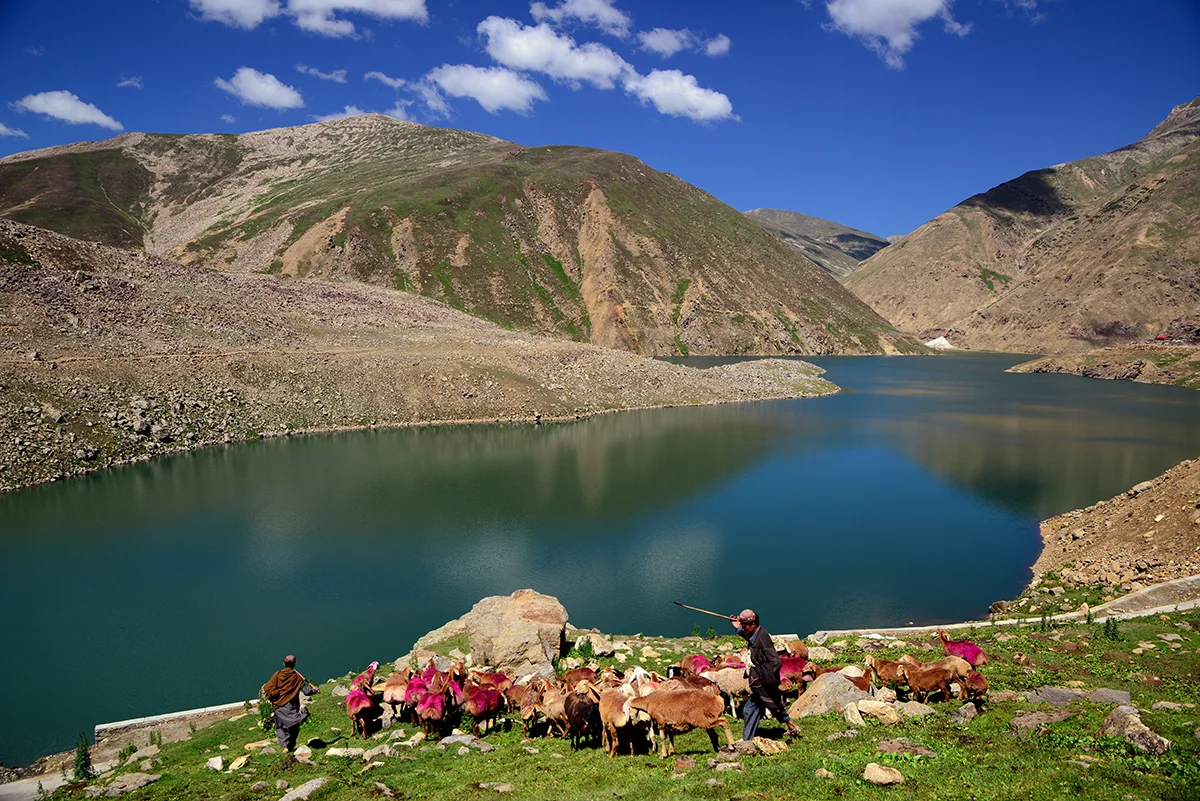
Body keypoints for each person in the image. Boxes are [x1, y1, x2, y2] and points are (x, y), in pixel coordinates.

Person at [731, 609, 801, 740]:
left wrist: (765, 678)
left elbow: (775, 662)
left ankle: (747, 740)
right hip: (761, 680)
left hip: (763, 680)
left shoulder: (763, 639)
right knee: (772, 703)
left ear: (753, 624)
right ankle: (790, 725)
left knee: (752, 709)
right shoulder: (757, 634)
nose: (744, 629)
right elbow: (750, 638)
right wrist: (739, 628)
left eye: (745, 626)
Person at [262, 654, 319, 752]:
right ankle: (290, 746)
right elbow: (306, 692)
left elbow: (267, 687)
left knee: (280, 727)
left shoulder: (278, 674)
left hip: (279, 705)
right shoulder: (296, 677)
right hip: (292, 706)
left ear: (284, 663)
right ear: (295, 664)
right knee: (294, 727)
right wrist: (314, 690)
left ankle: (285, 746)